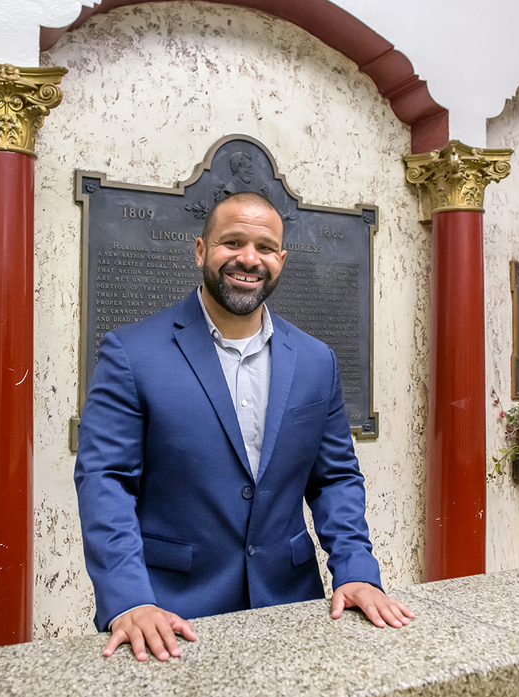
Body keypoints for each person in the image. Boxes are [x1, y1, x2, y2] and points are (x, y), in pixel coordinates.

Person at [75, 192, 413, 663]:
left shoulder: (318, 361)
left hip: (293, 607)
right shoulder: (131, 354)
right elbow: (106, 481)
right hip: (171, 616)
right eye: (231, 242)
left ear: (281, 259)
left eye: (265, 247)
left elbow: (335, 478)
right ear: (200, 251)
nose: (248, 259)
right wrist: (128, 598)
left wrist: (356, 570)